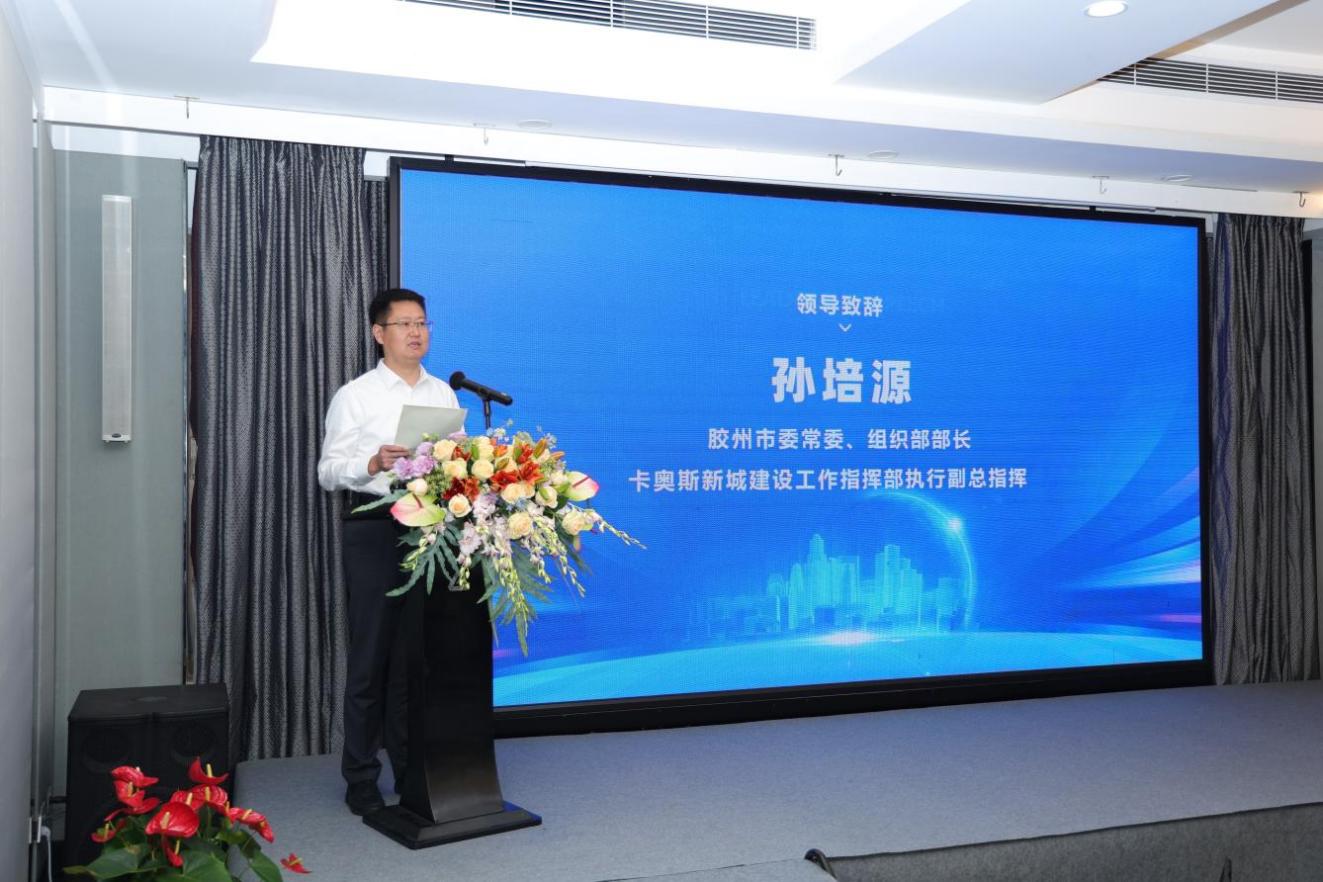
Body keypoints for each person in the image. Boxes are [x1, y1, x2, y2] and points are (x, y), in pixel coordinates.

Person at [317, 287, 459, 815]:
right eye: (405, 324)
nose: (416, 332)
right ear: (380, 333)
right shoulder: (356, 395)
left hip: (430, 530)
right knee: (372, 656)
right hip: (375, 527)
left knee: (414, 660)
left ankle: (409, 767)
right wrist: (373, 463)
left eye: (422, 323)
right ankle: (360, 776)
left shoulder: (443, 394)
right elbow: (328, 471)